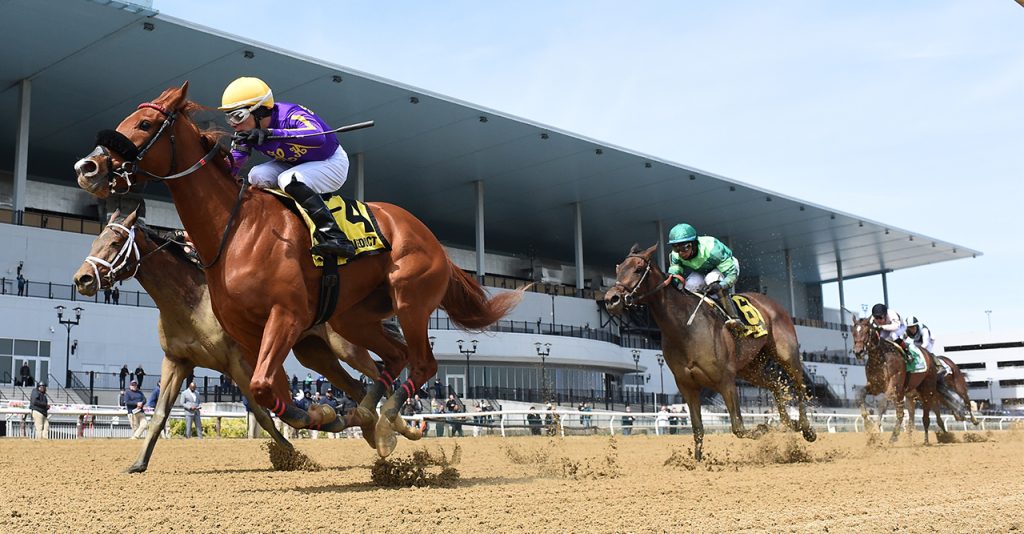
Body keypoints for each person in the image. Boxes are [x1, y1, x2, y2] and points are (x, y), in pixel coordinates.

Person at [219, 76, 356, 258]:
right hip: (292, 163)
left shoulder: (291, 114)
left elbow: (318, 137)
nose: (234, 124)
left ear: (259, 111)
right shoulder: (245, 131)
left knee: (287, 179)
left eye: (238, 116)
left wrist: (271, 133)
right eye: (229, 118)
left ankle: (336, 237)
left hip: (330, 162)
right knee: (256, 175)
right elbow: (233, 166)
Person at [666, 223, 743, 331]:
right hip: (702, 270)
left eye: (684, 248)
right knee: (689, 286)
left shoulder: (713, 249)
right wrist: (672, 281)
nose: (681, 253)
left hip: (727, 268)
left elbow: (731, 275)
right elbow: (675, 271)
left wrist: (720, 286)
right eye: (676, 248)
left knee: (711, 279)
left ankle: (734, 318)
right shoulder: (676, 255)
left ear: (693, 244)